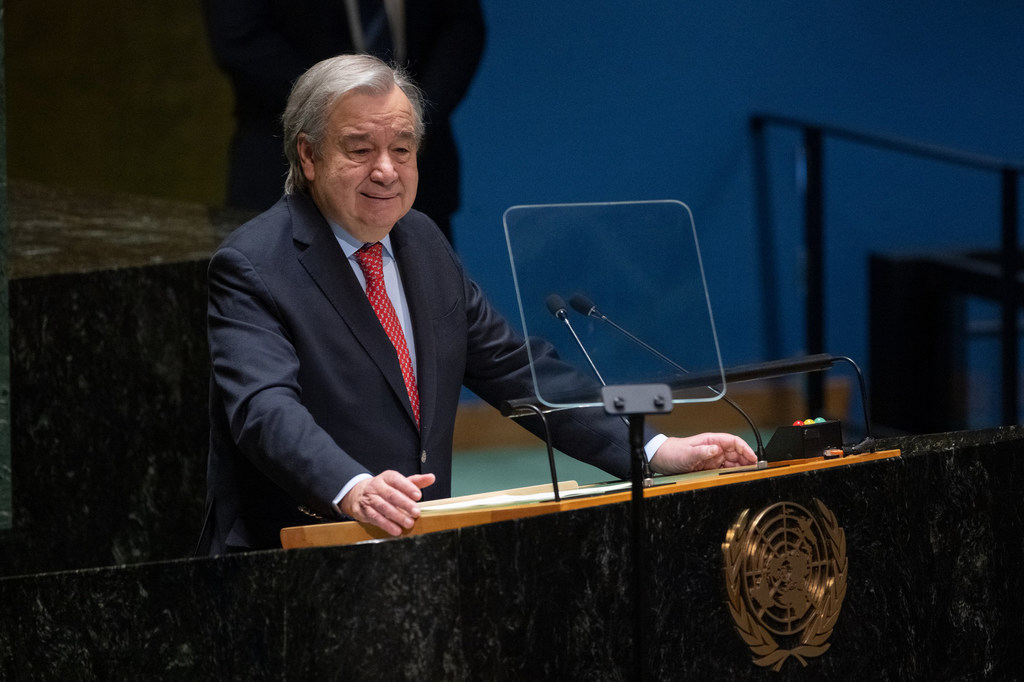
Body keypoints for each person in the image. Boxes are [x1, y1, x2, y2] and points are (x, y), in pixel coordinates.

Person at [197, 54, 756, 555]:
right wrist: (352, 486)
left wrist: (654, 447)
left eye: (402, 149)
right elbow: (265, 410)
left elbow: (517, 371)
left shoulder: (422, 241)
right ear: (310, 156)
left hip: (421, 539)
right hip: (297, 553)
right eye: (361, 149)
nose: (386, 170)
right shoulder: (252, 266)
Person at [202, 0, 485, 244]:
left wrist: (413, 118)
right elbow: (240, 38)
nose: (383, 171)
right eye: (362, 148)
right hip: (283, 174)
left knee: (429, 302)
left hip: (424, 179)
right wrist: (341, 111)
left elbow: (460, 26)